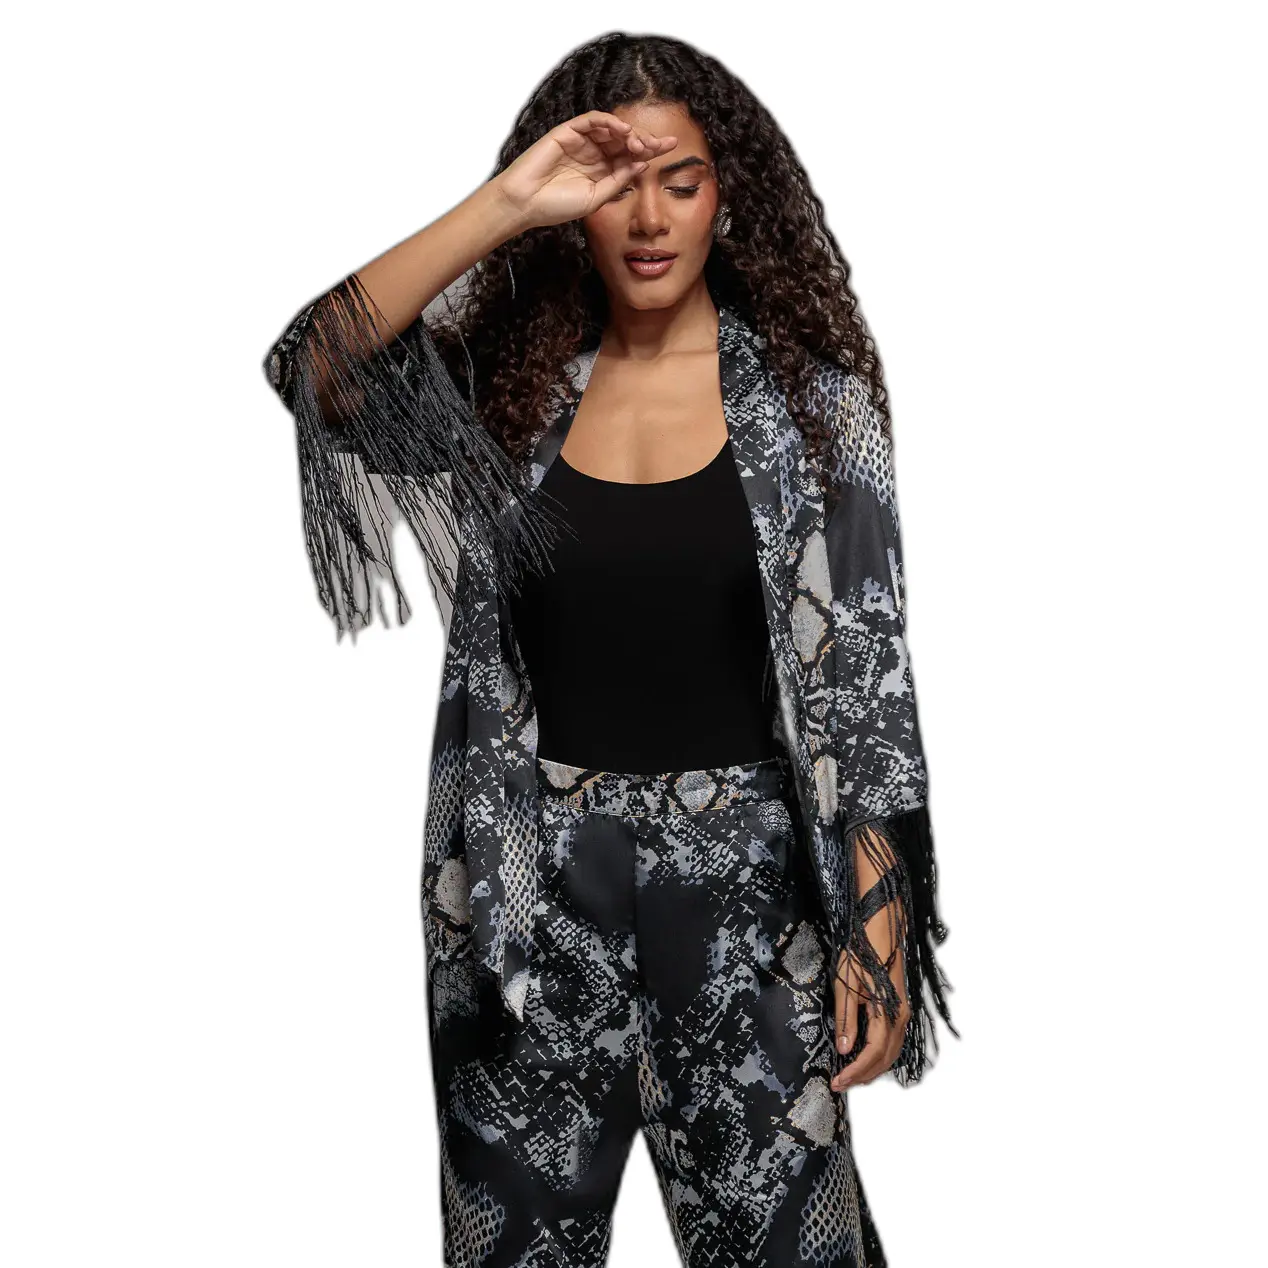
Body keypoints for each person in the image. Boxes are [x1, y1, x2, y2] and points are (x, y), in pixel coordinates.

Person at [262, 31, 956, 1268]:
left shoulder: (814, 406)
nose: (646, 219)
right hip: (528, 902)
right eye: (615, 185)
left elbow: (864, 675)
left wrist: (878, 921)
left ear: (727, 194)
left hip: (748, 904)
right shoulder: (507, 392)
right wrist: (504, 203)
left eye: (678, 182)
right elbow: (316, 366)